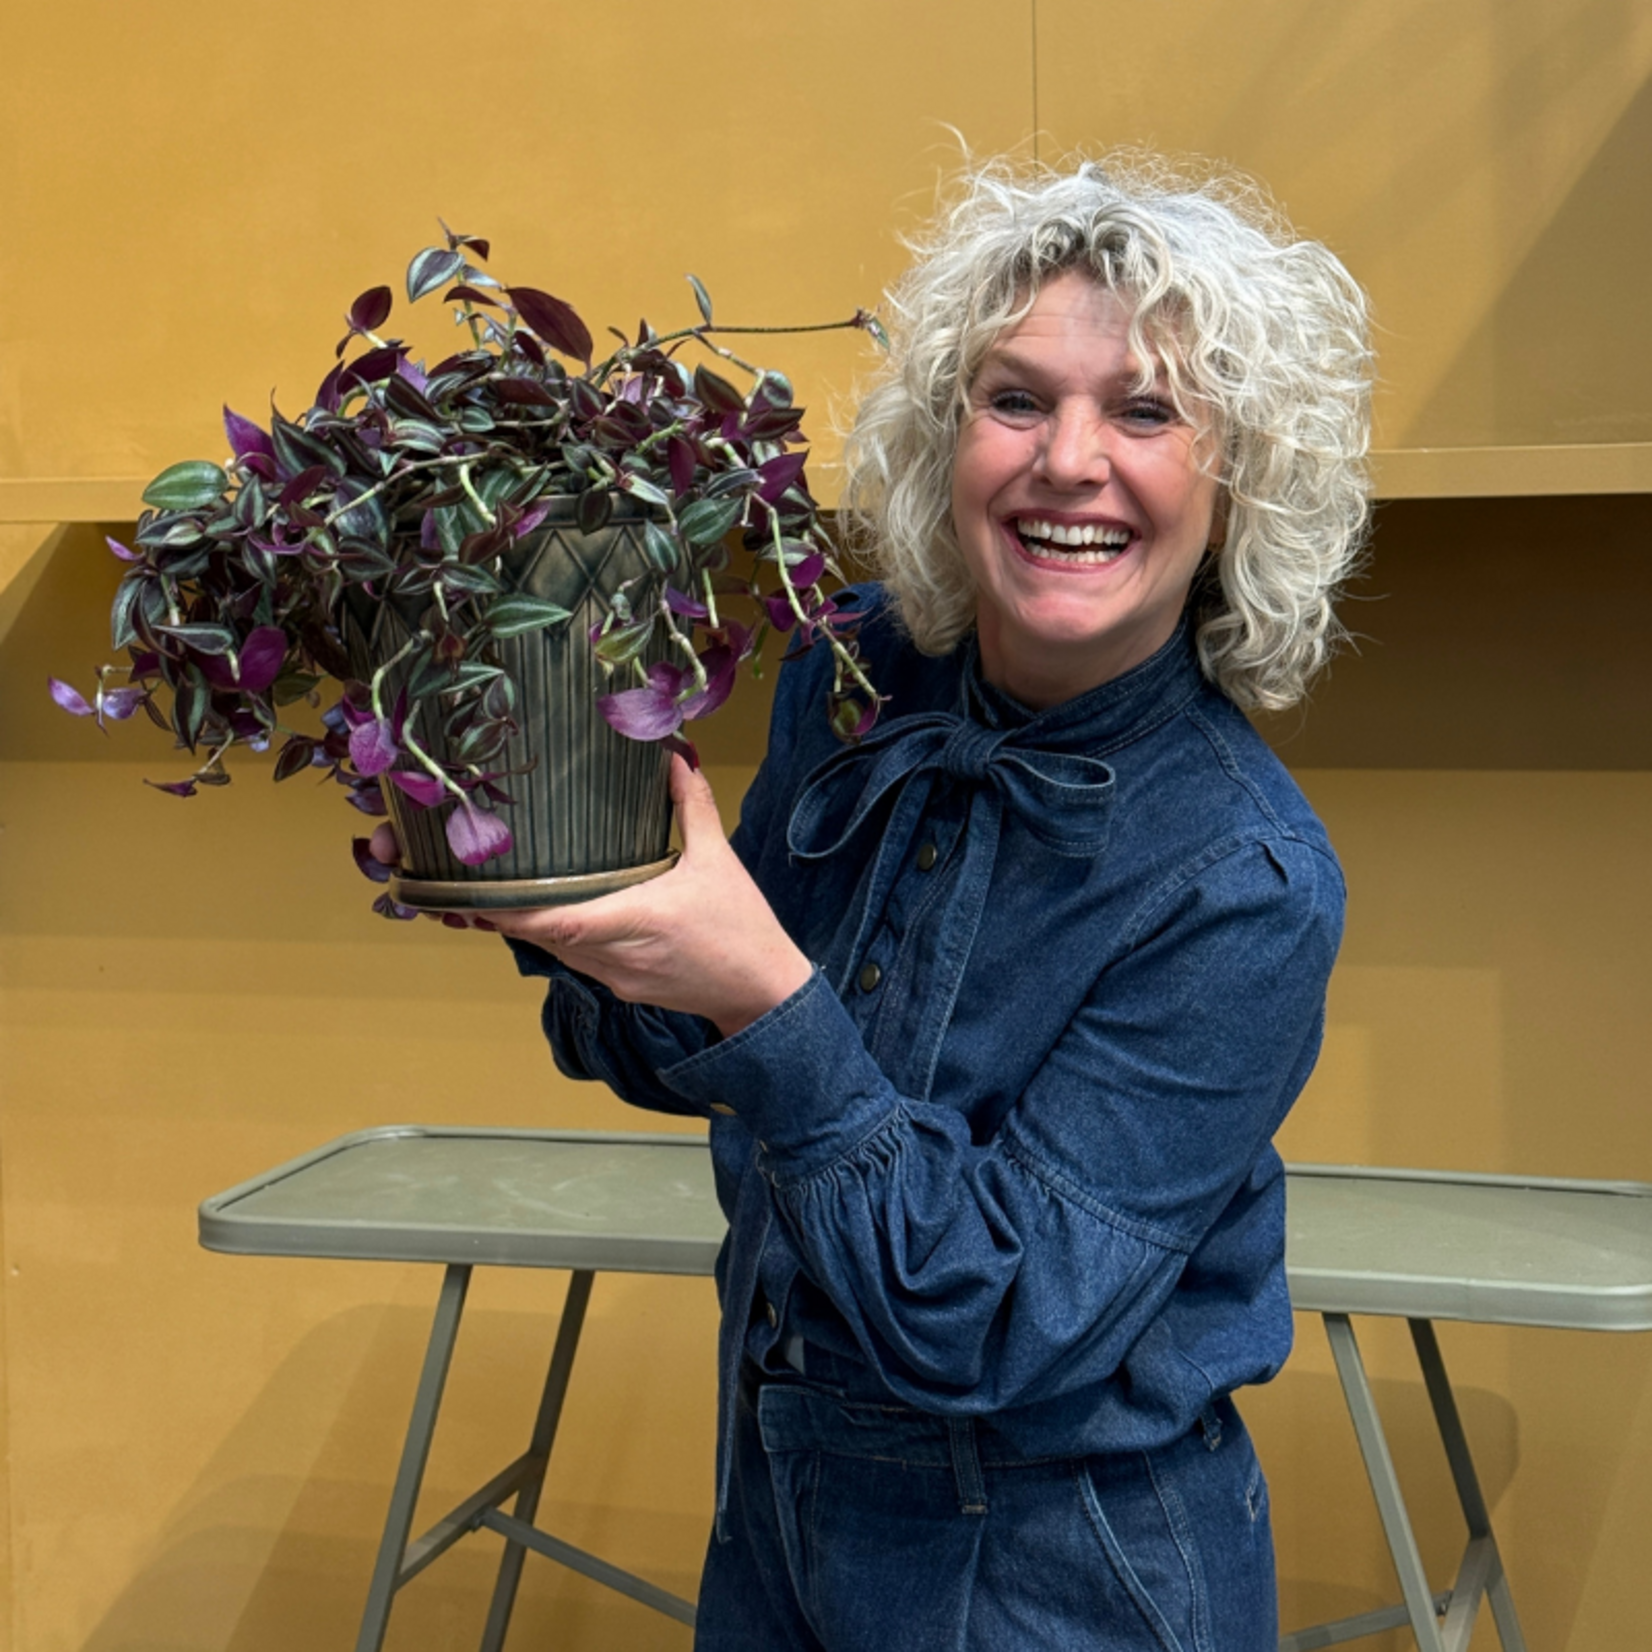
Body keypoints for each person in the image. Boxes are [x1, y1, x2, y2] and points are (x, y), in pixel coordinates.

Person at [378, 155, 1372, 1650]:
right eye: (1016, 398)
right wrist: (575, 912)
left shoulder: (1246, 884)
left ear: (1243, 479)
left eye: (1149, 411)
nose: (1070, 460)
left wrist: (762, 995)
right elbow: (719, 1066)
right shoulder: (850, 680)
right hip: (778, 1499)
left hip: (1065, 1571)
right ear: (944, 438)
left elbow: (991, 1319)